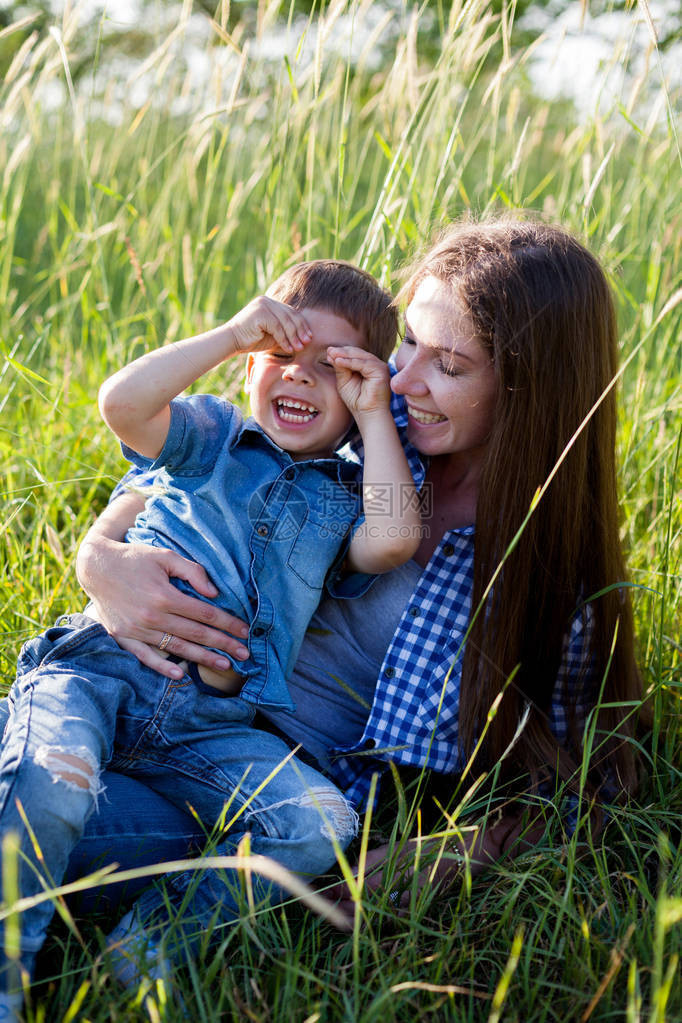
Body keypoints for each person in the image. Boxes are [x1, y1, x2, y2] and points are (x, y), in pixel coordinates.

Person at [66, 216, 641, 973]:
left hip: (262, 792)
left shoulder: (546, 572)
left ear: (531, 388)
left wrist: (404, 868)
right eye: (409, 341)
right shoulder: (371, 418)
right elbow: (192, 470)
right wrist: (99, 555)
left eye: (450, 365)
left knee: (53, 829)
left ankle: (125, 974)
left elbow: (581, 791)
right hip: (136, 689)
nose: (403, 378)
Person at [0, 259, 423, 1009]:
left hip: (210, 725)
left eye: (330, 368)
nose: (300, 378)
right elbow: (122, 403)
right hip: (100, 674)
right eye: (281, 357)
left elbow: (392, 539)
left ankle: (150, 944)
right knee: (54, 787)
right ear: (250, 364)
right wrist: (228, 336)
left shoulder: (340, 498)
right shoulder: (214, 437)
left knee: (319, 819)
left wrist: (373, 411)